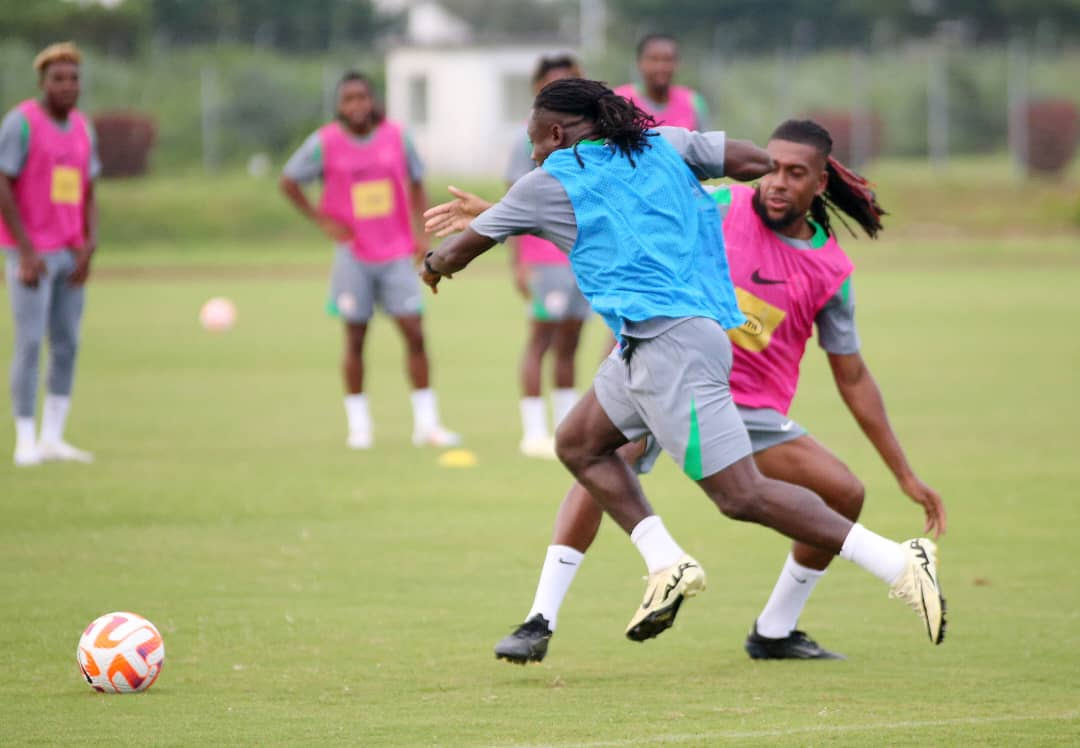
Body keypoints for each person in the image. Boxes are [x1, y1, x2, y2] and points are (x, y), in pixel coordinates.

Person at [422, 79, 945, 654]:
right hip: (655, 344)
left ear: (555, 132)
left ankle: (896, 561)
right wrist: (708, 169)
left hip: (676, 352)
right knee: (579, 444)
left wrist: (431, 266)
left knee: (741, 496)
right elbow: (749, 161)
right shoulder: (662, 144)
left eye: (534, 141)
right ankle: (658, 564)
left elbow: (455, 252)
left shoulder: (547, 180)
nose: (533, 153)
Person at [280, 71, 459, 450]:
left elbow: (417, 181)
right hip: (353, 254)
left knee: (415, 332)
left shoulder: (397, 137)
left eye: (362, 97)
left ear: (372, 100)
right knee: (355, 338)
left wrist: (421, 232)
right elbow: (289, 181)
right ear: (339, 105)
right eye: (348, 99)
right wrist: (320, 219)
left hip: (396, 252)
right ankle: (359, 427)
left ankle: (427, 425)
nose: (356, 105)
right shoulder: (324, 143)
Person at [1, 42, 100, 467]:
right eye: (58, 79)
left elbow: (88, 189)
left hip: (70, 252)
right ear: (42, 82)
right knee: (29, 342)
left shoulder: (82, 128)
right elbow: (3, 183)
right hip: (32, 256)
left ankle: (53, 437)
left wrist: (89, 243)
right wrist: (25, 249)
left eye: (73, 78)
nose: (67, 86)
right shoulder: (21, 123)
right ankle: (25, 438)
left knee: (68, 343)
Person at [505, 54, 590, 458]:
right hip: (544, 254)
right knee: (541, 340)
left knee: (571, 343)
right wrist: (518, 261)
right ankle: (533, 430)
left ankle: (565, 429)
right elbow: (512, 202)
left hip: (582, 253)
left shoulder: (589, 135)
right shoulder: (528, 137)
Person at [613, 34, 709, 131]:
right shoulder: (619, 101)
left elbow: (703, 139)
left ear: (677, 63)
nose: (661, 66)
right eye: (653, 59)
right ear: (639, 63)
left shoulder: (692, 101)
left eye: (668, 59)